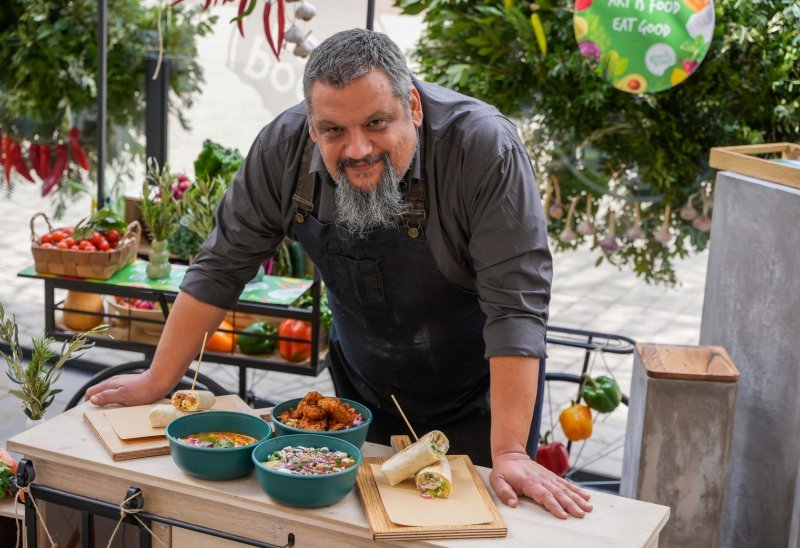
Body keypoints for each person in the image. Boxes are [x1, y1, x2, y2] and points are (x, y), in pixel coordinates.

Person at [87, 29, 592, 519]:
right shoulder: (282, 151)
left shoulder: (481, 149)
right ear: (311, 126)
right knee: (359, 533)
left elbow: (516, 308)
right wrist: (159, 378)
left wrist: (510, 454)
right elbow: (220, 265)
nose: (357, 149)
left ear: (412, 108)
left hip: (480, 399)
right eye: (334, 131)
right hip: (362, 395)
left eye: (377, 123)